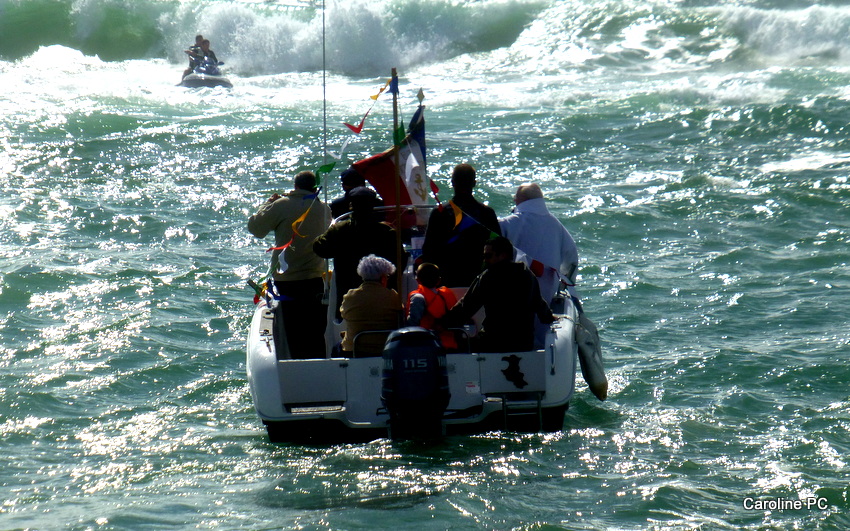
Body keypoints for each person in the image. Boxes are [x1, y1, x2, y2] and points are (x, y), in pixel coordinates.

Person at [247, 171, 332, 358]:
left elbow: (255, 228)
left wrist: (268, 203)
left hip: (288, 281)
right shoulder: (324, 208)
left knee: (291, 335)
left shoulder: (282, 205)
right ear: (313, 187)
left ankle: (294, 374)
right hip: (316, 280)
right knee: (315, 334)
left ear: (296, 186)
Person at [442, 236, 556, 353]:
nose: (485, 260)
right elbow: (539, 304)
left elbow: (466, 307)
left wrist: (442, 324)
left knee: (455, 346)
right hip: (523, 343)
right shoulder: (526, 274)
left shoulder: (488, 277)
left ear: (503, 255)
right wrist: (550, 318)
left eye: (488, 256)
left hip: (494, 343)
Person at [499, 182, 578, 345]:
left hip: (516, 288)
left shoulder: (509, 223)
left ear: (520, 200)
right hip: (548, 287)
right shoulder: (556, 225)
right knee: (541, 328)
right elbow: (572, 257)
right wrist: (564, 283)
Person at [313, 186, 402, 316]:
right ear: (373, 205)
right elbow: (401, 262)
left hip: (348, 298)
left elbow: (319, 248)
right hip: (384, 299)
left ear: (351, 206)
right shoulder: (387, 232)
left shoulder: (339, 230)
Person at [421, 163, 501, 287]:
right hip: (479, 282)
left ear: (452, 182)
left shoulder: (439, 213)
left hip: (446, 282)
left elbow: (429, 250)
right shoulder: (487, 213)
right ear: (474, 183)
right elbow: (499, 249)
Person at [339, 255, 402, 356]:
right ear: (382, 278)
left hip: (356, 349)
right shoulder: (393, 296)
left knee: (336, 347)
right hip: (386, 348)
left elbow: (344, 315)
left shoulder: (350, 296)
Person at [406, 263, 459, 350]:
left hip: (426, 347)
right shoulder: (448, 295)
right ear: (439, 280)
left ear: (417, 280)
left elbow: (412, 325)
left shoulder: (417, 298)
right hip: (451, 346)